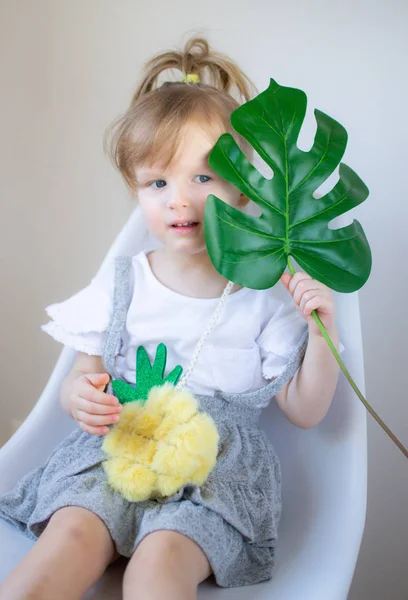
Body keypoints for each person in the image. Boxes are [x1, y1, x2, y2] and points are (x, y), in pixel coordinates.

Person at [0, 36, 341, 600]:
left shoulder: (261, 294)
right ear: (136, 191)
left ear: (241, 188)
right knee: (69, 538)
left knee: (158, 567)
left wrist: (320, 332)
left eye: (203, 178)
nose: (179, 200)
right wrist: (78, 394)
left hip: (211, 475)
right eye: (158, 183)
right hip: (118, 451)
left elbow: (305, 411)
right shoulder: (123, 281)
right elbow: (84, 375)